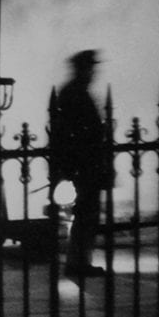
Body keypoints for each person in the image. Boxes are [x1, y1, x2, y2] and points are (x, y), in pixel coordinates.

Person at [53, 49, 111, 279]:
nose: (93, 73)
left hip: (84, 162)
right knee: (86, 214)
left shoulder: (74, 91)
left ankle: (79, 261)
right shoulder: (75, 93)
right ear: (82, 69)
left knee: (87, 214)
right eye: (90, 68)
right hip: (83, 163)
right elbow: (77, 131)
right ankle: (78, 262)